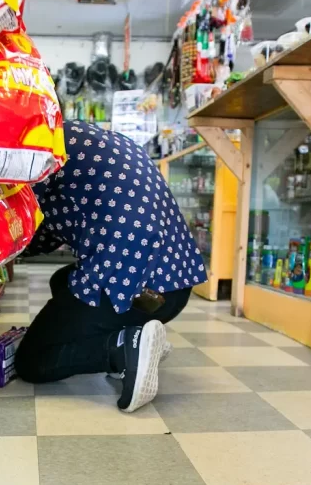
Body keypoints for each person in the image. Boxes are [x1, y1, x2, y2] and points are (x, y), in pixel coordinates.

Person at [15, 121, 207, 412]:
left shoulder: (35, 148)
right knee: (62, 281)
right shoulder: (88, 138)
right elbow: (46, 233)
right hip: (173, 288)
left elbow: (19, 224)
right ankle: (134, 339)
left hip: (128, 286)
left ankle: (123, 347)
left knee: (32, 360)